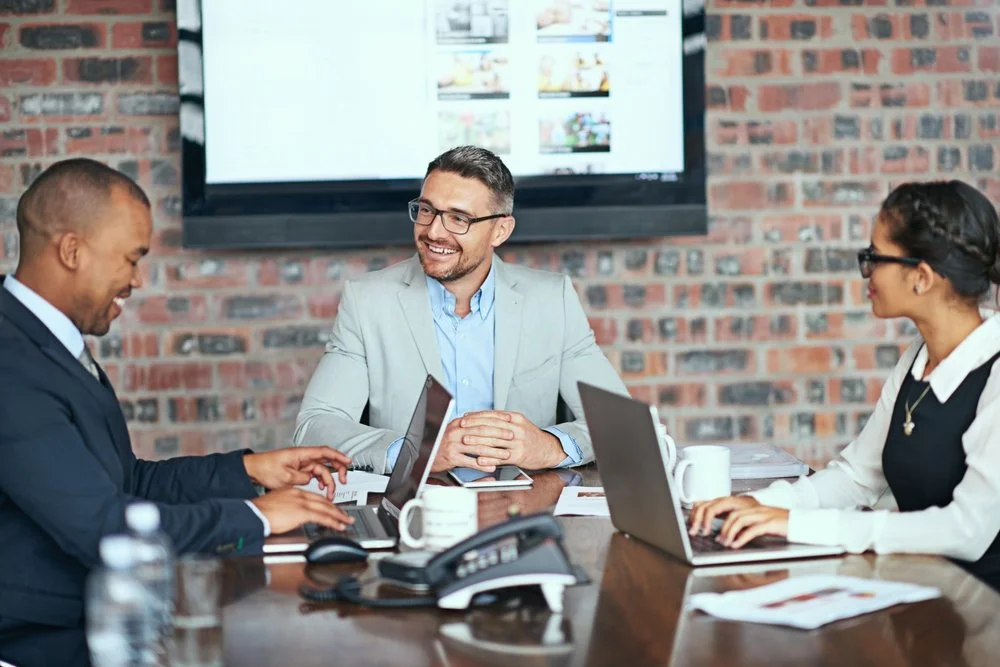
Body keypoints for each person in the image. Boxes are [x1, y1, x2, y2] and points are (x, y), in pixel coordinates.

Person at [0, 159, 354, 638]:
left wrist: (249, 472)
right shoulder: (12, 364)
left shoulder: (46, 341)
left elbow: (127, 482)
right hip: (43, 645)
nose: (138, 279)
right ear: (71, 251)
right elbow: (105, 528)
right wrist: (256, 515)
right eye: (131, 258)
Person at [689, 180, 1000, 591]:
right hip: (925, 592)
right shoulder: (918, 356)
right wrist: (760, 505)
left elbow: (967, 530)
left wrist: (800, 524)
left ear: (922, 277)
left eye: (876, 256)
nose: (866, 269)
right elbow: (856, 477)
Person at [294, 145, 627, 474]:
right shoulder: (367, 302)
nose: (434, 231)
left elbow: (619, 422)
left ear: (501, 230)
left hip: (525, 511)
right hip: (415, 511)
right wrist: (417, 453)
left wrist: (548, 446)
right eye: (427, 210)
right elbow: (315, 426)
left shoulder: (552, 301)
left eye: (459, 219)